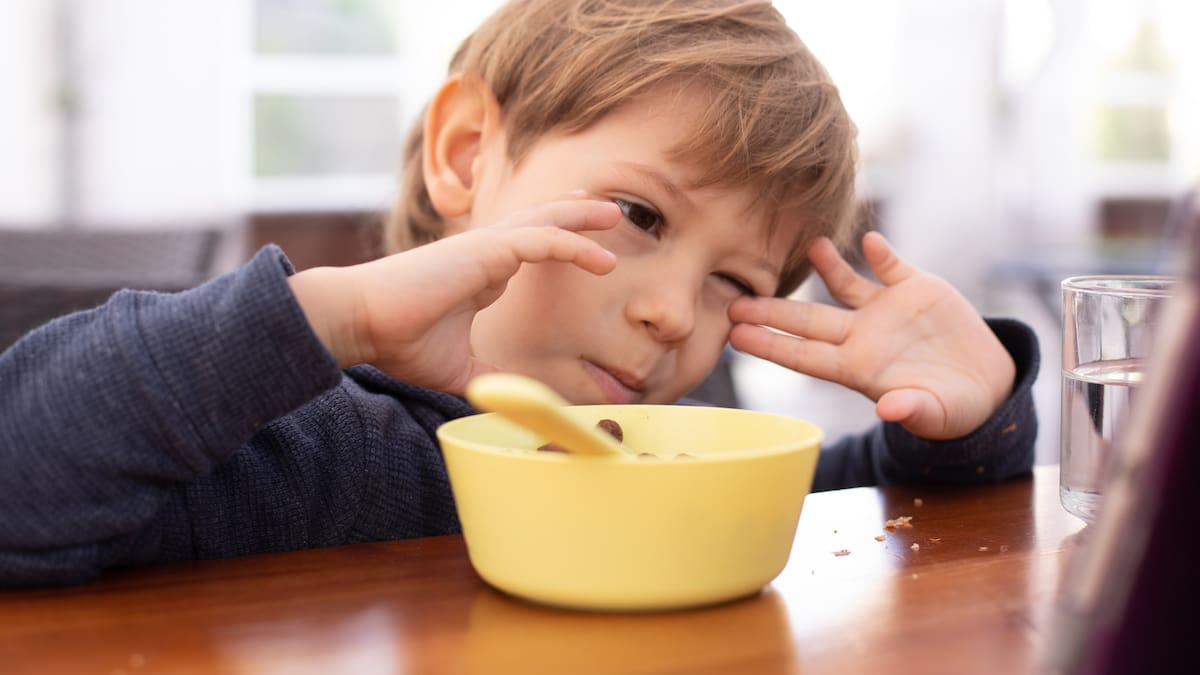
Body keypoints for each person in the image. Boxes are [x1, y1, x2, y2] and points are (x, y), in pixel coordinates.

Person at [0, 0, 1038, 588]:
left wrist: (957, 426)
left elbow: (861, 507)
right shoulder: (324, 446)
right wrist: (333, 314)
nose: (677, 315)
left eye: (734, 281)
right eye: (640, 216)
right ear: (466, 156)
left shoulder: (673, 437)